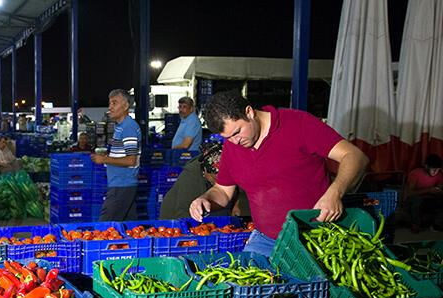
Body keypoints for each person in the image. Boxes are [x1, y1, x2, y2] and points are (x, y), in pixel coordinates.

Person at [189, 91, 369, 256]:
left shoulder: (298, 123)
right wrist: (206, 200)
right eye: (228, 138)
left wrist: (335, 192)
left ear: (249, 112)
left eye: (237, 132)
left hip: (315, 236)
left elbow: (355, 156)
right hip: (266, 240)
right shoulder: (232, 146)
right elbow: (222, 191)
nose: (235, 141)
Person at [160, 141, 248, 219]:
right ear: (205, 171)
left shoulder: (236, 168)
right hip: (176, 217)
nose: (219, 182)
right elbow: (184, 212)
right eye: (215, 178)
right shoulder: (191, 176)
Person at [91, 89, 141, 221]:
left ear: (125, 106)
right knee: (131, 228)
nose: (110, 107)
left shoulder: (128, 127)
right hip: (121, 184)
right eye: (110, 103)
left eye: (114, 103)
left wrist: (104, 159)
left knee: (104, 228)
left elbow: (131, 160)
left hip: (122, 185)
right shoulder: (120, 127)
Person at [404, 154, 443, 231]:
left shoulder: (439, 175)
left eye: (437, 169)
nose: (435, 172)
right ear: (426, 166)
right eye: (433, 169)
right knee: (417, 200)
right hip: (413, 201)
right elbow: (409, 193)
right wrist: (428, 190)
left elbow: (439, 188)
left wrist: (439, 191)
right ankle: (415, 224)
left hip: (430, 200)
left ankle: (437, 224)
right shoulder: (415, 174)